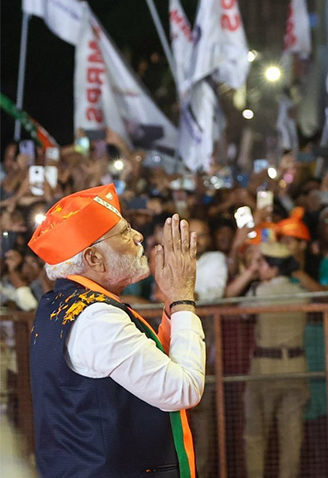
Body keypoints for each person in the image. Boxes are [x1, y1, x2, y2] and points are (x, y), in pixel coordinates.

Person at [28, 186, 205, 477]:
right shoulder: (97, 318)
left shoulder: (60, 304)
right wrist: (183, 298)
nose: (138, 236)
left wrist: (173, 301)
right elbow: (181, 389)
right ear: (94, 259)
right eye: (123, 233)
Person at [229, 242, 310, 478]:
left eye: (262, 263)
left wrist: (249, 273)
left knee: (255, 433)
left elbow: (232, 300)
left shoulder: (259, 293)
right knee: (292, 435)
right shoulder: (300, 293)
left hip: (264, 368)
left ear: (273, 267)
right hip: (296, 367)